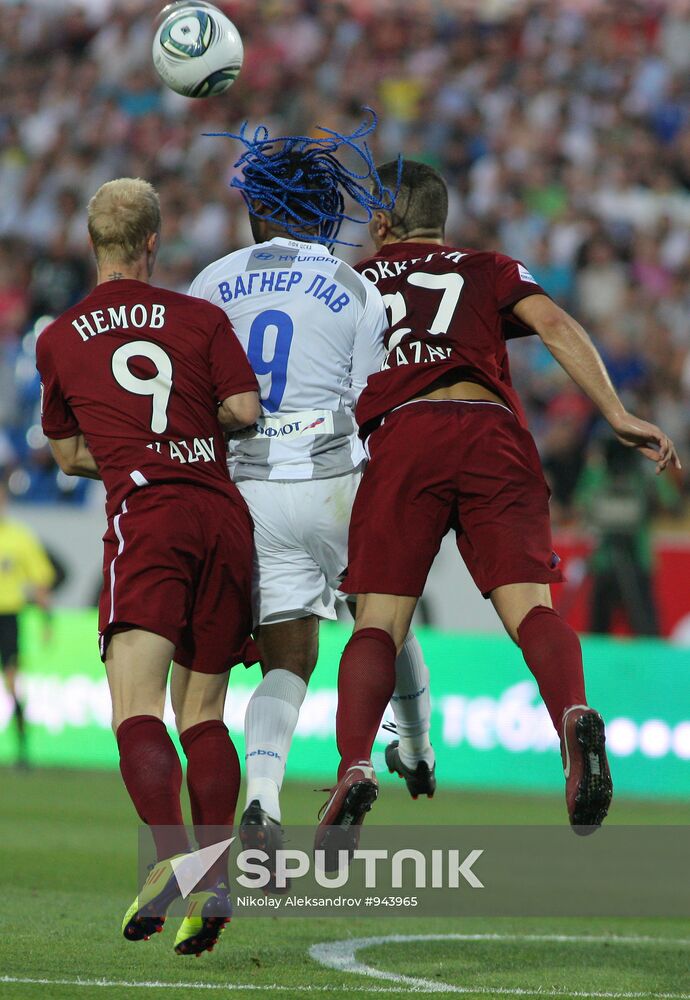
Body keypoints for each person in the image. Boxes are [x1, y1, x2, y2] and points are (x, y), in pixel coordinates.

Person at [315, 160, 680, 858]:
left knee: (381, 623)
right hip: (493, 434)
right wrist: (617, 412)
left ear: (384, 224)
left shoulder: (351, 281)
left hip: (407, 437)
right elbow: (554, 323)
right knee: (532, 612)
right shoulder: (489, 266)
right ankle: (572, 715)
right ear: (441, 220)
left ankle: (354, 764)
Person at [189, 117, 436, 878]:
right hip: (334, 475)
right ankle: (414, 746)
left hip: (251, 488)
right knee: (382, 618)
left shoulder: (211, 282)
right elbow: (374, 404)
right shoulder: (351, 283)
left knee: (285, 660)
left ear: (258, 209)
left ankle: (263, 797)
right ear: (326, 209)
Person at [35, 178, 261, 955]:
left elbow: (66, 452)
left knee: (136, 706)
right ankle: (218, 876)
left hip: (151, 515)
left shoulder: (60, 337)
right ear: (154, 243)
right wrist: (189, 438)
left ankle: (176, 867)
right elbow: (245, 412)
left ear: (89, 244)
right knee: (204, 715)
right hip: (224, 518)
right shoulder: (201, 318)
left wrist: (137, 453)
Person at [0, 478, 56, 767]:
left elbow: (41, 582)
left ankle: (22, 749)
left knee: (12, 683)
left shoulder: (20, 537)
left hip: (8, 617)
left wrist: (48, 622)